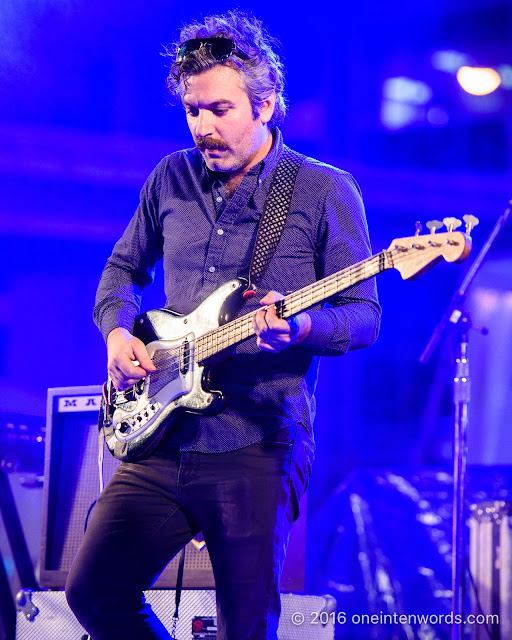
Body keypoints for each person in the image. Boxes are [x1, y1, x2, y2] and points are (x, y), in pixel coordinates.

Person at [65, 9, 381, 640]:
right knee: (93, 593)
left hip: (257, 444)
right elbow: (122, 270)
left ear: (265, 105)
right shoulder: (171, 177)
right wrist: (119, 332)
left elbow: (365, 318)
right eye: (192, 110)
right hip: (161, 435)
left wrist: (302, 330)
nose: (202, 127)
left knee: (245, 627)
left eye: (219, 110)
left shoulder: (325, 190)